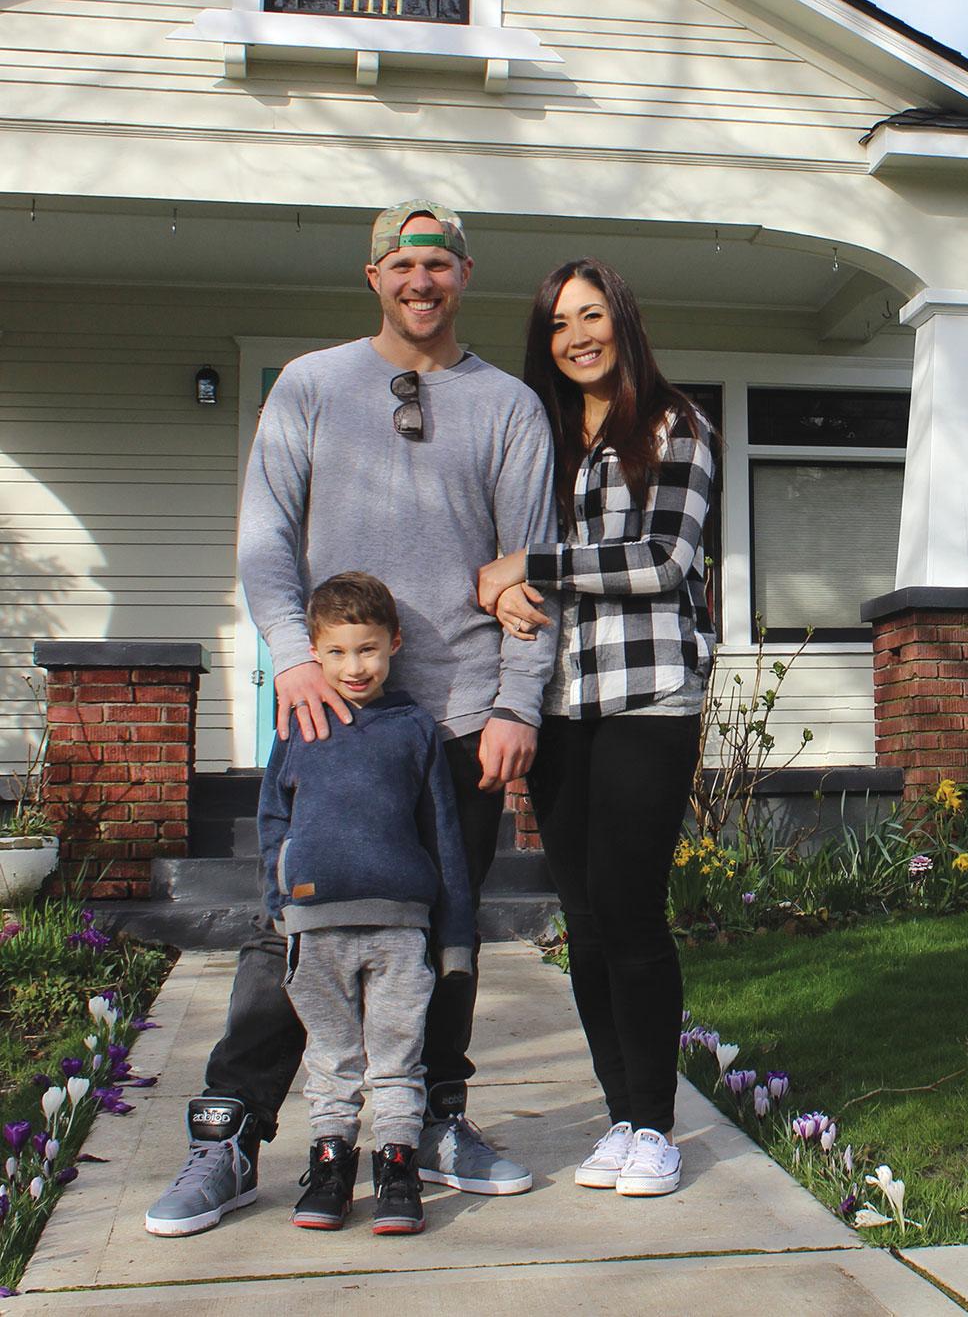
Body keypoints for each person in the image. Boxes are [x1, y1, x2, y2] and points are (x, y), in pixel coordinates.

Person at [144, 200, 558, 1238]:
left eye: (439, 262)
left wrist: (516, 701)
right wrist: (291, 654)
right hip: (332, 708)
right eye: (401, 262)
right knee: (290, 923)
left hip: (461, 709)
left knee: (445, 926)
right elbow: (265, 538)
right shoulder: (311, 385)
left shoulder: (507, 406)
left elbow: (534, 566)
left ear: (464, 272)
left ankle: (437, 1123)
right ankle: (231, 1135)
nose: (421, 279)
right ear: (374, 275)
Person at [477, 257, 715, 1197]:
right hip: (560, 704)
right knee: (581, 919)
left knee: (629, 908)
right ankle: (621, 1117)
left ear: (621, 319)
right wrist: (497, 589)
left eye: (591, 316)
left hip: (648, 696)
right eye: (559, 323)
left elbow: (663, 558)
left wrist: (524, 564)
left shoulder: (675, 425)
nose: (576, 336)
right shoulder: (539, 438)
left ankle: (657, 1126)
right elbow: (501, 561)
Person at [266, 572, 475, 1236]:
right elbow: (274, 817)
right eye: (336, 652)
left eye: (368, 650)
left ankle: (396, 1168)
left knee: (395, 1057)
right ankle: (330, 1168)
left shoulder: (413, 727)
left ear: (395, 645)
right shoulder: (298, 723)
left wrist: (457, 938)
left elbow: (443, 830)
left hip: (399, 929)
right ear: (314, 652)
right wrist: (278, 900)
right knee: (330, 1058)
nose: (354, 667)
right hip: (315, 926)